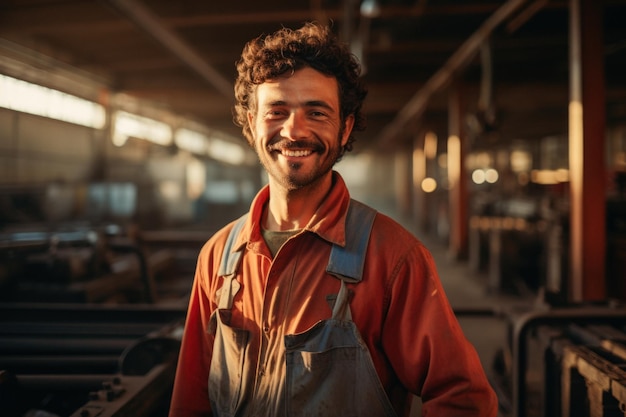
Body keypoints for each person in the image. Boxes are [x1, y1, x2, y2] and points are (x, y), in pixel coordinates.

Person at [169, 22, 498, 417]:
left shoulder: (393, 259)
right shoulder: (219, 257)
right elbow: (191, 400)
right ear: (251, 124)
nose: (294, 131)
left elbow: (464, 400)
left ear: (344, 129)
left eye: (316, 112)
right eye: (277, 111)